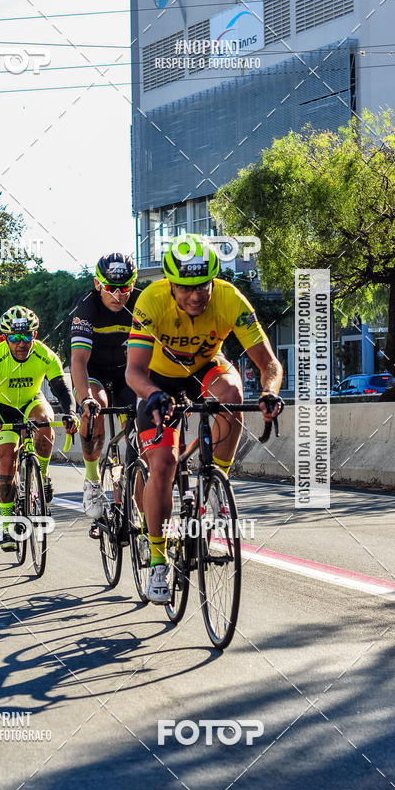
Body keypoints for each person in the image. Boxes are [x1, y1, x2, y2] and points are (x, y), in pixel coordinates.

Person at [126, 236, 283, 604]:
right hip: (157, 381)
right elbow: (133, 371)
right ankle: (158, 560)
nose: (195, 297)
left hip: (204, 371)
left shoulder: (230, 299)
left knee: (233, 393)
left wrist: (270, 390)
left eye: (203, 287)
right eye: (185, 289)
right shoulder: (151, 300)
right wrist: (153, 394)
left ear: (214, 280)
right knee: (162, 466)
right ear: (170, 284)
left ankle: (216, 483)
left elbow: (269, 364)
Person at [0, 306, 78, 551]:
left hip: (32, 401)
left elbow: (62, 389)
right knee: (6, 461)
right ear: (5, 337)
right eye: (15, 337)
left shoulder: (45, 354)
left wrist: (72, 413)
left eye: (28, 336)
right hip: (4, 408)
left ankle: (41, 476)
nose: (22, 343)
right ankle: (7, 525)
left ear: (35, 335)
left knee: (45, 419)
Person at [70, 252, 140, 518]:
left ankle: (137, 479)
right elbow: (78, 360)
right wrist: (85, 397)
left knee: (142, 416)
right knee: (95, 408)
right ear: (98, 284)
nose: (118, 295)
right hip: (94, 371)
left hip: (129, 372)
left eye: (125, 288)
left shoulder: (142, 302)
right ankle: (92, 481)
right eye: (110, 288)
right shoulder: (87, 306)